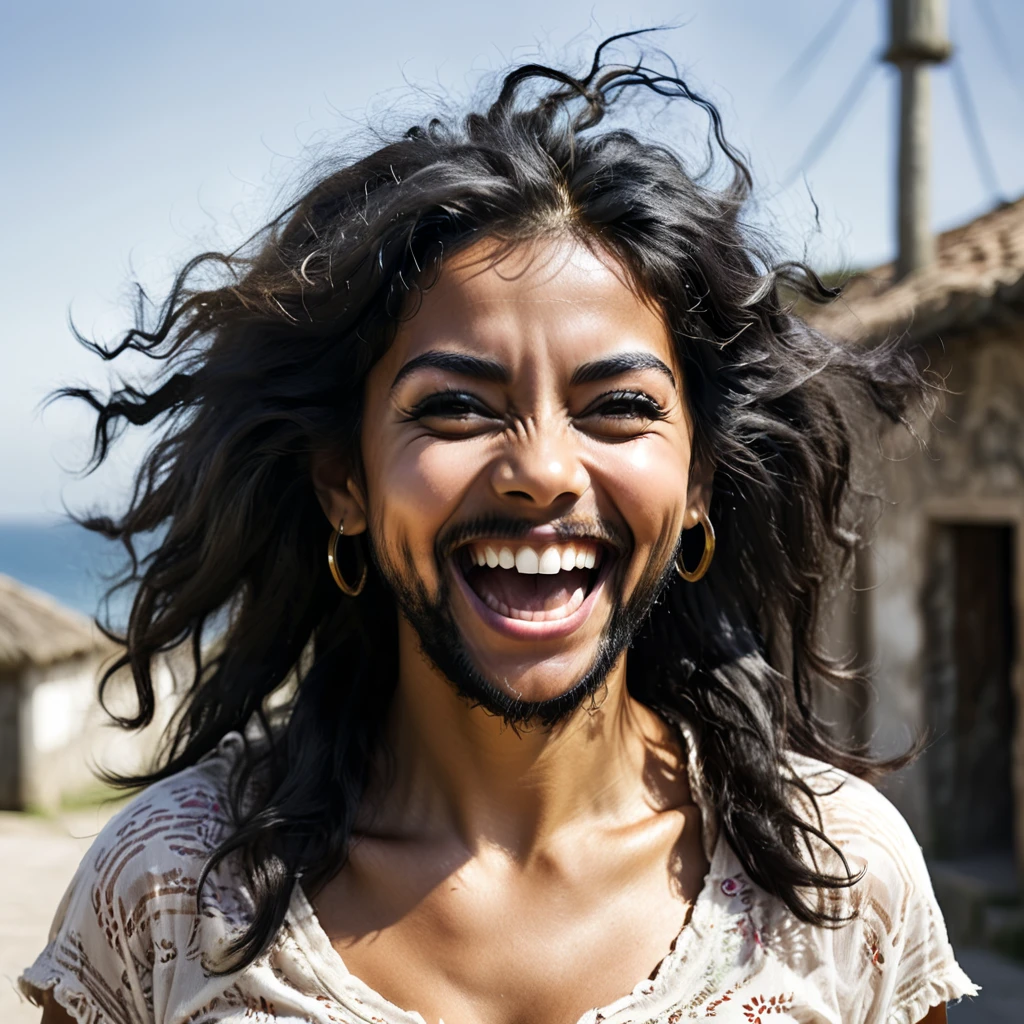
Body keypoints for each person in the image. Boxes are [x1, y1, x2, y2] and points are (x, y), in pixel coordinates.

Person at [21, 37, 976, 1024]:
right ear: (343, 480)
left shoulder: (841, 885)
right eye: (456, 409)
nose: (542, 472)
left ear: (698, 481)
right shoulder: (166, 890)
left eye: (619, 407)